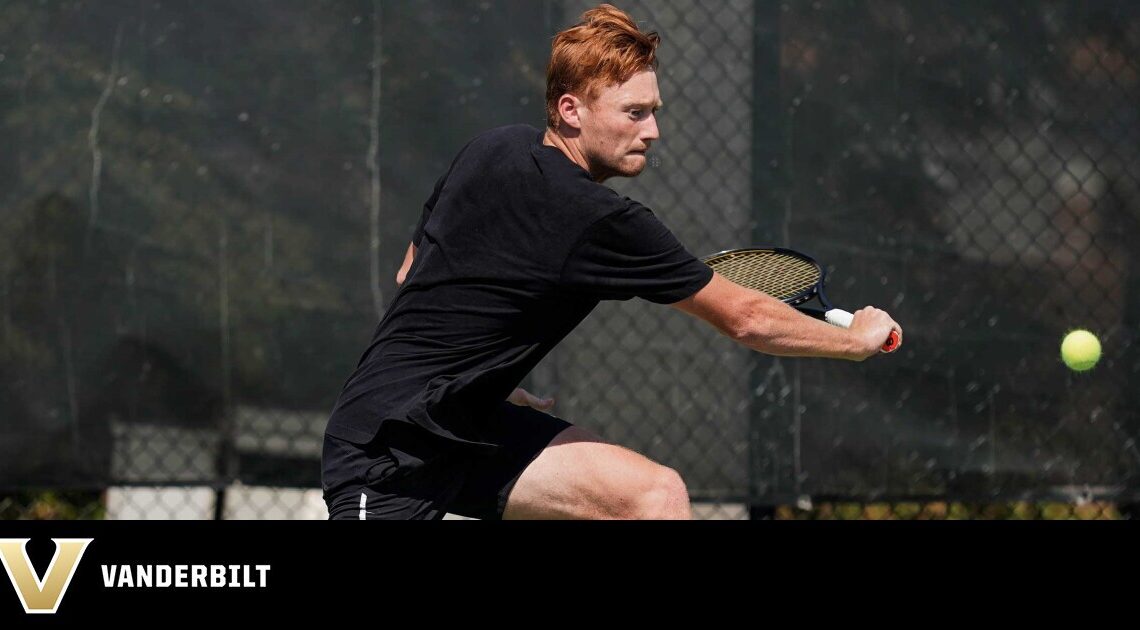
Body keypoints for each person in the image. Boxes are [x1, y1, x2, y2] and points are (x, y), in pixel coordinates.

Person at [321, 4, 902, 520]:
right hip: (386, 447)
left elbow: (414, 268)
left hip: (467, 421)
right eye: (633, 112)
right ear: (572, 109)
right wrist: (855, 340)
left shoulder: (491, 147)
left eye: (654, 111)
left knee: (652, 498)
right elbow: (747, 317)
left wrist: (476, 377)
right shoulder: (599, 219)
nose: (653, 131)